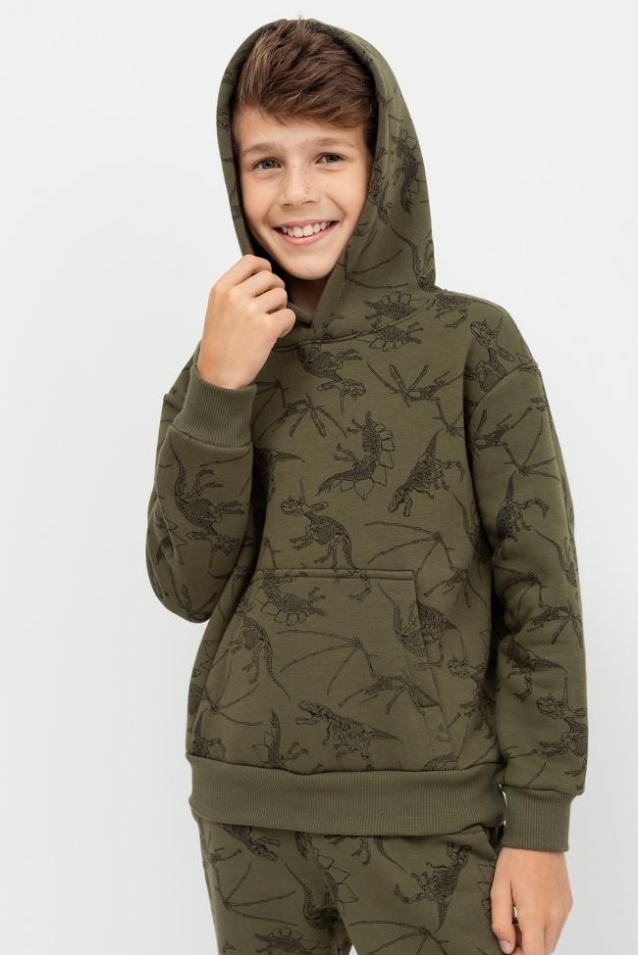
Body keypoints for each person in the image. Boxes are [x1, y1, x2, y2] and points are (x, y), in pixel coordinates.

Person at [145, 16, 588, 955]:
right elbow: (184, 585)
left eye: (329, 157)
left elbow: (540, 591)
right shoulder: (222, 359)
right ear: (234, 175)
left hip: (432, 815)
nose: (296, 192)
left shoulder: (474, 344)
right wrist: (219, 390)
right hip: (248, 813)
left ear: (384, 167)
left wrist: (541, 826)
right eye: (265, 162)